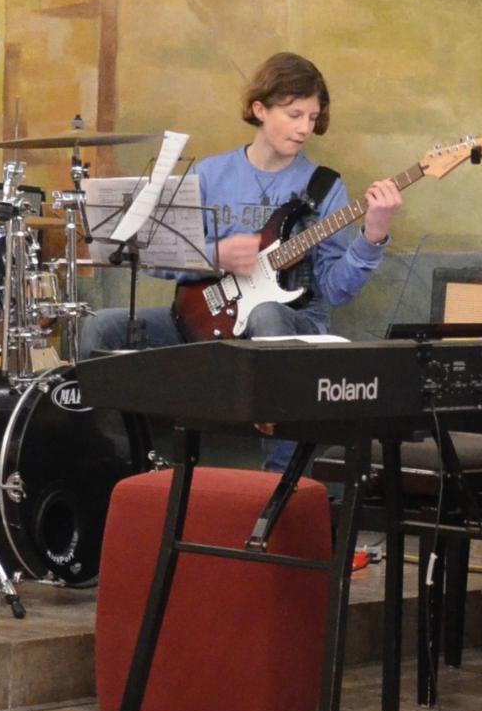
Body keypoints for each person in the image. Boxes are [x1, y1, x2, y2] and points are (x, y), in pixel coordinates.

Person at [76, 52, 402, 468]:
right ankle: (116, 465)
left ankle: (278, 487)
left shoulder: (325, 187)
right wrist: (215, 255)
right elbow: (155, 259)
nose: (305, 128)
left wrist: (373, 235)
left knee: (267, 314)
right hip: (199, 318)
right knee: (98, 328)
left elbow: (336, 291)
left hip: (292, 325)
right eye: (294, 114)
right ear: (259, 109)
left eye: (312, 117)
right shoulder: (211, 175)